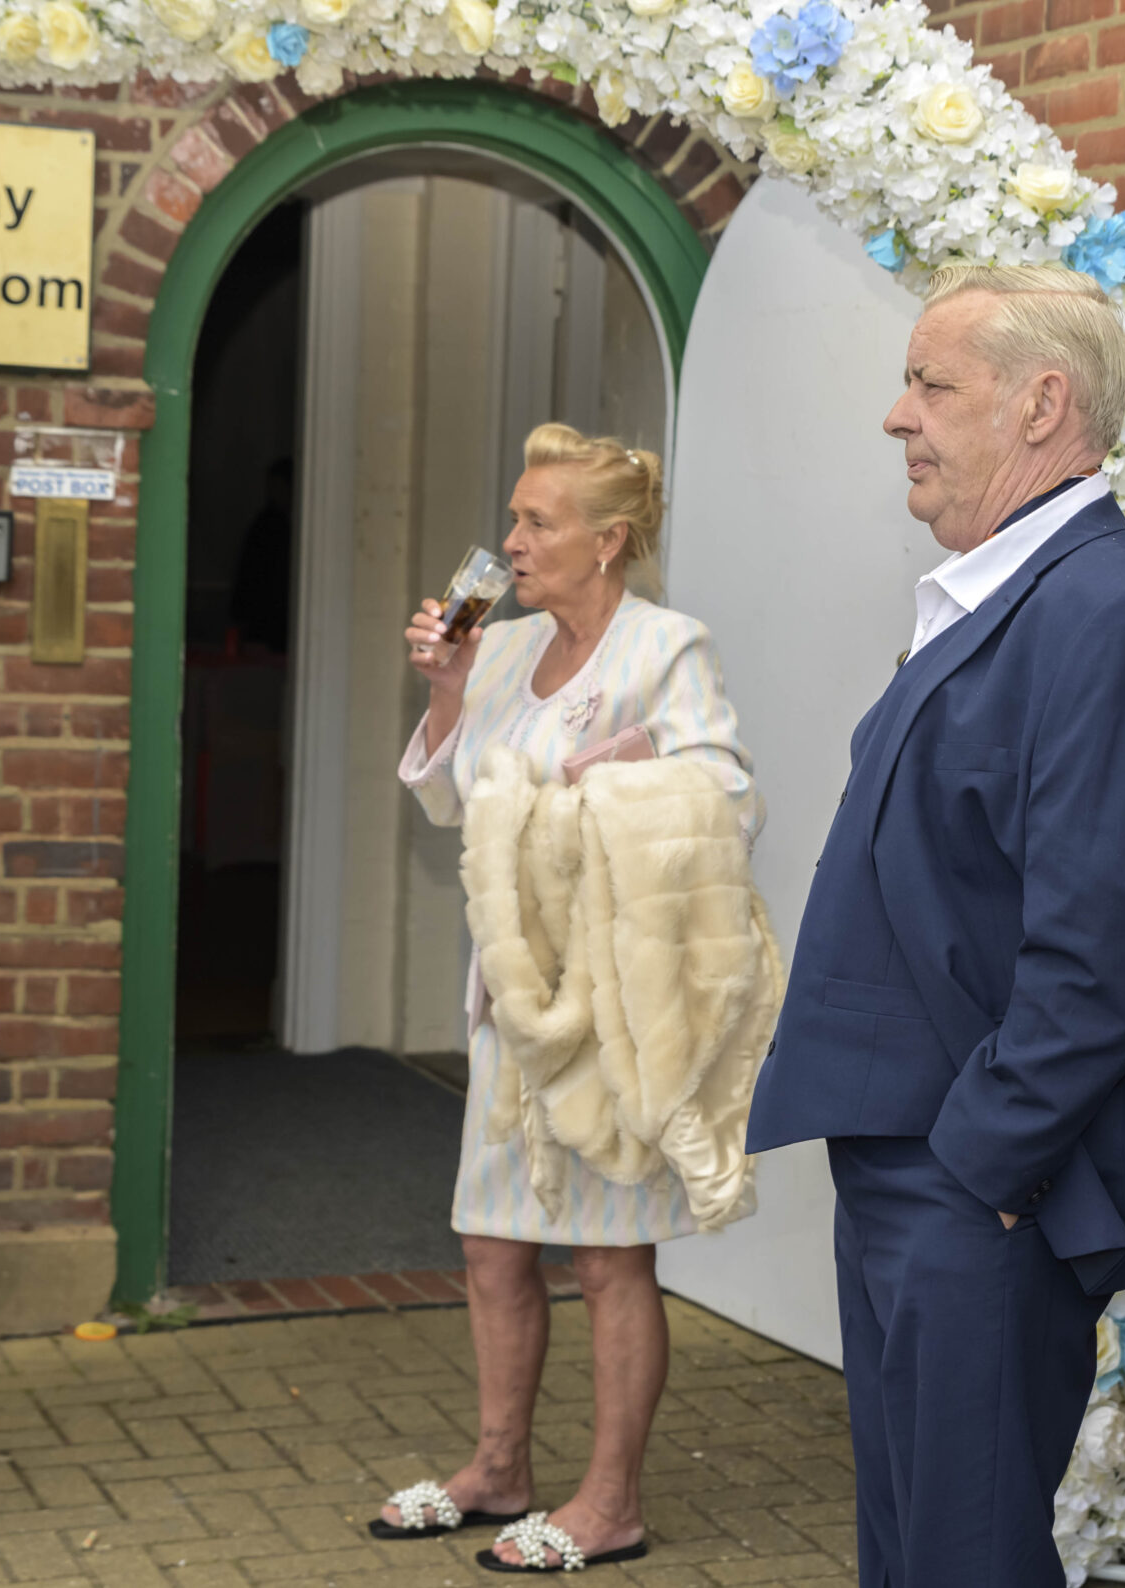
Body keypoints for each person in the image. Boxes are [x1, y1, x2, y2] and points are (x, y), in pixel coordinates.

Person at [745, 264, 1125, 1588]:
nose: (898, 416)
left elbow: (1101, 949)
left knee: (965, 1555)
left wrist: (984, 1168)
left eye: (931, 385)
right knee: (913, 1550)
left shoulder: (1106, 610)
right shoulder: (1011, 592)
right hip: (919, 1162)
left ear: (1041, 406)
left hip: (980, 1179)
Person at [379, 423, 761, 1573]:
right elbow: (448, 802)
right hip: (514, 999)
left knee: (607, 1256)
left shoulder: (665, 645)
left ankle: (612, 1502)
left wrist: (603, 789)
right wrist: (449, 690)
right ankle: (499, 1467)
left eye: (536, 522)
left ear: (607, 541)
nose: (510, 541)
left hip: (610, 1006)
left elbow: (727, 798)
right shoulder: (498, 650)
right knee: (493, 1244)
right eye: (513, 517)